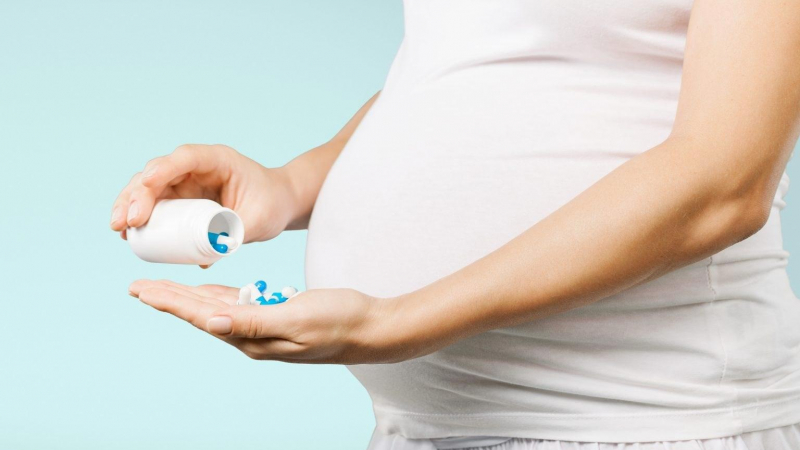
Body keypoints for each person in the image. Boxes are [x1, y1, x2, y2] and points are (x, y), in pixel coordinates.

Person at [113, 0, 800, 448]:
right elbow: (465, 71)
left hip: (641, 421)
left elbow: (725, 180)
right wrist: (288, 186)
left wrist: (396, 323)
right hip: (420, 430)